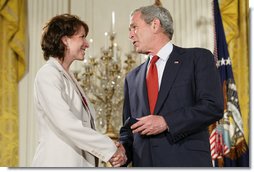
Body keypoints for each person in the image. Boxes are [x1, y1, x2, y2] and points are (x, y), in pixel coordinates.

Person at [119, 5, 224, 167]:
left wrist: (166, 122)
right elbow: (128, 129)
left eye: (134, 27)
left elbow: (212, 106)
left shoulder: (197, 58)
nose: (130, 34)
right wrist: (124, 153)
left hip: (185, 162)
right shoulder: (132, 78)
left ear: (155, 25)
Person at [31, 14, 126, 167]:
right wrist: (109, 148)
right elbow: (67, 124)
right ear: (65, 40)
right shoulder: (48, 75)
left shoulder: (68, 76)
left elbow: (83, 126)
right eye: (82, 37)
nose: (87, 44)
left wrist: (109, 146)